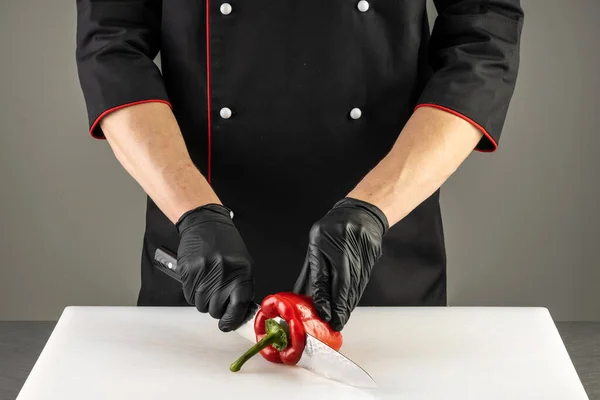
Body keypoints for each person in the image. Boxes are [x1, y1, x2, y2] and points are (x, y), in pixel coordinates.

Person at [75, 0, 524, 333]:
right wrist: (193, 212)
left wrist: (372, 209)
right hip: (203, 260)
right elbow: (112, 46)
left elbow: (484, 40)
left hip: (377, 253)